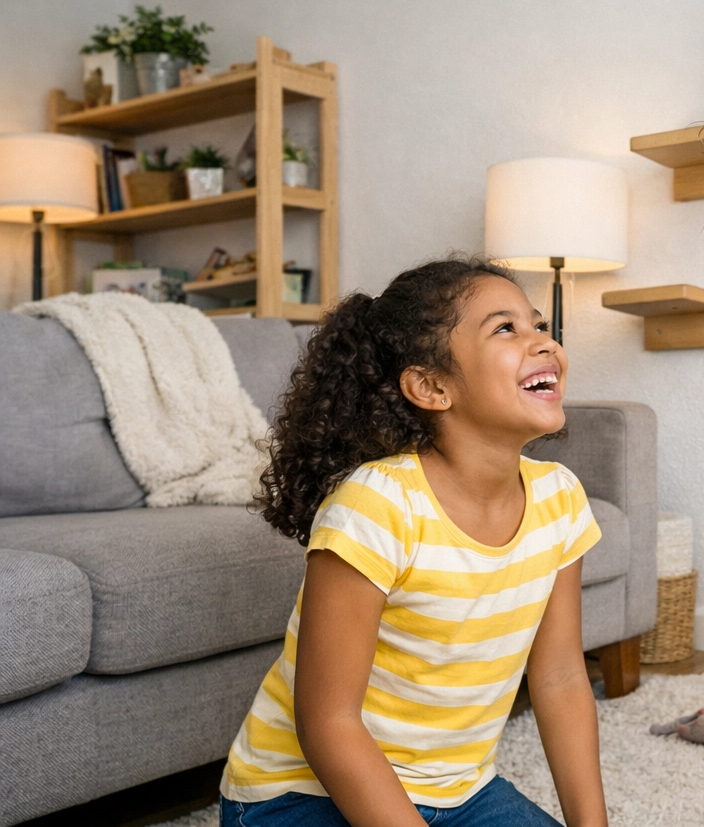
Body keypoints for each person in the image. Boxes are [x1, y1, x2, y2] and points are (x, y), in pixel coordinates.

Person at [219, 257, 607, 827]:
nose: (542, 343)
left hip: (460, 793)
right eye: (506, 328)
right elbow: (328, 724)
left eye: (539, 326)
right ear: (430, 386)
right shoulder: (374, 506)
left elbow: (561, 677)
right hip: (296, 795)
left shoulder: (560, 499)